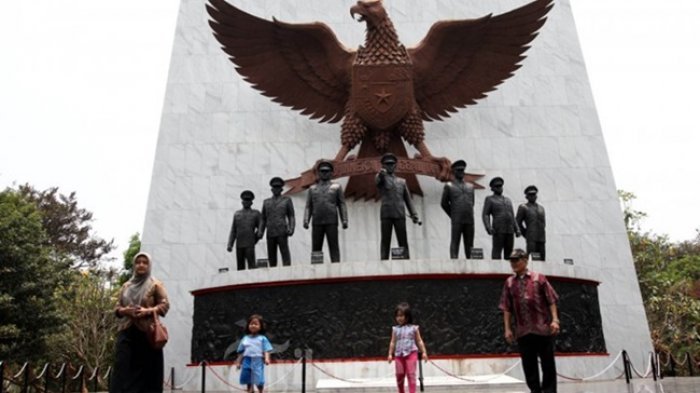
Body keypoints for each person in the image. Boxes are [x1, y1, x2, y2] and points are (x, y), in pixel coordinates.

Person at [499, 249, 560, 393]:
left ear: (525, 260)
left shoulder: (539, 278)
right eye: (511, 261)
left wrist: (555, 320)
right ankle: (535, 391)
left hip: (543, 329)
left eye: (516, 260)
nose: (513, 263)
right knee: (529, 367)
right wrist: (507, 329)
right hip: (523, 332)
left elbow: (551, 300)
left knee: (548, 365)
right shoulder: (509, 283)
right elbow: (506, 308)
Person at [111, 252, 170, 393]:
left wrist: (147, 311)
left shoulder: (155, 285)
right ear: (134, 265)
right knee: (122, 367)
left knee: (147, 373)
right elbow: (117, 308)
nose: (141, 265)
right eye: (138, 262)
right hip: (127, 331)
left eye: (145, 262)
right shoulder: (126, 286)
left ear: (149, 265)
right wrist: (125, 311)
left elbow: (165, 306)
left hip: (147, 334)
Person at [376, 153, 420, 260]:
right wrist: (381, 174)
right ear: (383, 166)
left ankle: (406, 261)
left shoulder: (402, 181)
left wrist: (414, 214)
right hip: (386, 214)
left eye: (392, 164)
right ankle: (383, 261)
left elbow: (408, 199)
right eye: (387, 164)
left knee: (403, 240)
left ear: (395, 165)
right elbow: (378, 181)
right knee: (385, 240)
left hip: (400, 213)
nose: (389, 166)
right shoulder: (381, 178)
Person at [303, 160, 348, 262]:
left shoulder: (336, 187)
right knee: (316, 247)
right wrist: (306, 220)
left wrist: (344, 220)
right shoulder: (312, 189)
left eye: (327, 171)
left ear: (331, 173)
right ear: (318, 173)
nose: (324, 173)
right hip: (317, 221)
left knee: (333, 245)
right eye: (322, 171)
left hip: (331, 221)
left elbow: (342, 204)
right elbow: (308, 206)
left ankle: (336, 266)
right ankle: (315, 268)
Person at [387, 302, 428, 393]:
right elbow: (393, 342)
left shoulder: (414, 328)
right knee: (399, 374)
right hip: (399, 355)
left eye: (402, 316)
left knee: (411, 374)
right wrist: (390, 353)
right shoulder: (395, 329)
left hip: (411, 353)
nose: (399, 318)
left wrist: (424, 352)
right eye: (397, 316)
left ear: (407, 316)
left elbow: (419, 341)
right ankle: (401, 391)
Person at [440, 159, 475, 259]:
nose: (461, 172)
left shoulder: (470, 186)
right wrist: (453, 215)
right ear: (454, 172)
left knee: (469, 244)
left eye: (462, 170)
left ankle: (471, 264)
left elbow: (472, 202)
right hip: (457, 219)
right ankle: (454, 263)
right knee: (455, 242)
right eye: (458, 170)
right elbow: (444, 203)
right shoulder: (449, 186)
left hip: (469, 219)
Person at [482, 177, 520, 260]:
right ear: (492, 188)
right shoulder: (490, 199)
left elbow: (512, 216)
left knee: (509, 253)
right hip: (498, 229)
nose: (499, 188)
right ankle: (495, 271)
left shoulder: (508, 200)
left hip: (510, 230)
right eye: (497, 186)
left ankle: (509, 271)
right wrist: (488, 227)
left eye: (500, 186)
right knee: (496, 252)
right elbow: (486, 214)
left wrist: (517, 229)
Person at [260, 177, 295, 267]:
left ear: (281, 189)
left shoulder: (287, 200)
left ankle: (287, 271)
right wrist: (261, 231)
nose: (276, 189)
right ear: (271, 189)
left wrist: (291, 228)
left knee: (284, 253)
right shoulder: (266, 202)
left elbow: (291, 215)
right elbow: (263, 218)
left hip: (282, 230)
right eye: (274, 187)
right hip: (270, 232)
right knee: (271, 255)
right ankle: (272, 273)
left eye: (278, 187)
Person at [236, 314, 273, 393]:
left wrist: (267, 358)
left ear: (260, 326)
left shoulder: (262, 338)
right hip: (247, 360)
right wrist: (238, 362)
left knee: (258, 377)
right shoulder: (245, 338)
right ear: (248, 326)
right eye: (251, 324)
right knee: (247, 377)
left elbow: (267, 349)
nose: (253, 325)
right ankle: (250, 390)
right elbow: (242, 351)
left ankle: (260, 390)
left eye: (256, 324)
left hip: (257, 360)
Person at [227, 190, 263, 270]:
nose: (246, 202)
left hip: (250, 243)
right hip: (239, 244)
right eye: (244, 200)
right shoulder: (237, 214)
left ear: (251, 202)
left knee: (252, 265)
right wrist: (230, 244)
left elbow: (261, 226)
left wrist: (256, 238)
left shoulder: (256, 213)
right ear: (242, 202)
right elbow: (233, 231)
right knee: (240, 267)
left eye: (248, 200)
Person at [516, 185, 546, 260]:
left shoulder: (541, 208)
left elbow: (543, 223)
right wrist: (525, 233)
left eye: (534, 194)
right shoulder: (523, 207)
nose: (533, 196)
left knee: (542, 259)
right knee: (533, 260)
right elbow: (517, 222)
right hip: (531, 237)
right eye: (530, 195)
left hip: (541, 238)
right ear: (527, 197)